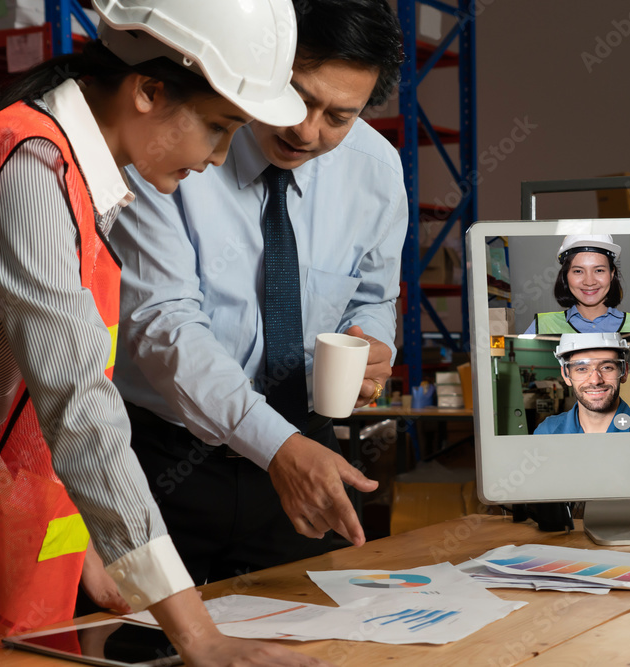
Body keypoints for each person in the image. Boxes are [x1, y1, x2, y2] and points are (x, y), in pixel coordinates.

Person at [0, 0, 330, 664]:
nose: (220, 157)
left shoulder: (73, 170)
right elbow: (79, 406)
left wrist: (105, 551)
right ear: (148, 91)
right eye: (219, 128)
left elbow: (44, 386)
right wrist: (201, 636)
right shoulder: (29, 169)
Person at [110, 0, 406, 585]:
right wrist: (276, 447)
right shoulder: (170, 144)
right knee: (141, 645)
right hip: (165, 459)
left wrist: (373, 343)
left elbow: (373, 294)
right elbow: (164, 323)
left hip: (307, 453)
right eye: (298, 96)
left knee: (299, 639)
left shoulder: (376, 168)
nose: (307, 130)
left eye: (339, 117)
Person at [524, 234, 630, 334]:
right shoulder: (542, 325)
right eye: (578, 271)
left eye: (599, 270)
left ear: (611, 274)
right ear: (566, 276)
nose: (589, 282)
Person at [534, 333, 630, 434]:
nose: (595, 380)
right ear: (566, 375)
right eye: (582, 369)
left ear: (624, 371)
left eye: (607, 367)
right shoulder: (547, 431)